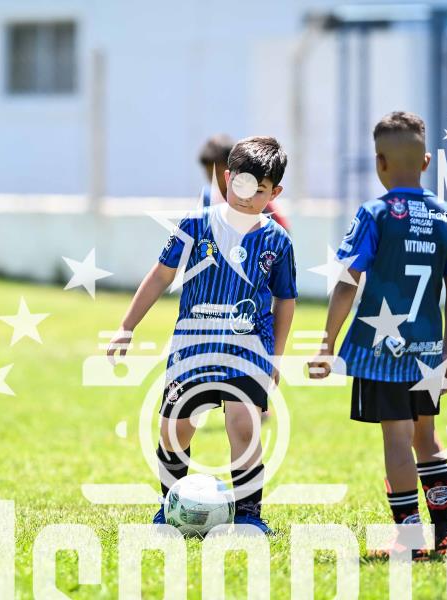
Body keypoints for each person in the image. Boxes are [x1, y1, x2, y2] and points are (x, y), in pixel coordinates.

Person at [109, 136, 297, 534]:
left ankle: (249, 515)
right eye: (241, 185)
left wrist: (276, 357)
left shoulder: (277, 241)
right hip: (193, 348)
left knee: (244, 428)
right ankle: (170, 505)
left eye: (260, 191)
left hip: (248, 350)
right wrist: (127, 326)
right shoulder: (195, 224)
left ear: (274, 193)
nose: (247, 197)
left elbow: (285, 300)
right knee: (175, 429)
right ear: (227, 178)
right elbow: (161, 275)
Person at [309, 112, 447, 557]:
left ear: (379, 162)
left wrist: (327, 342)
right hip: (428, 350)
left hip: (384, 352)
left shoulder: (375, 214)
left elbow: (348, 281)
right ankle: (445, 534)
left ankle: (410, 539)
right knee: (426, 438)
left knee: (397, 440)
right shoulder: (445, 215)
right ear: (426, 161)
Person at [198, 134, 290, 231]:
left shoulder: (259, 199)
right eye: (209, 173)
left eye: (218, 173)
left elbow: (283, 230)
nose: (213, 179)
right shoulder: (208, 197)